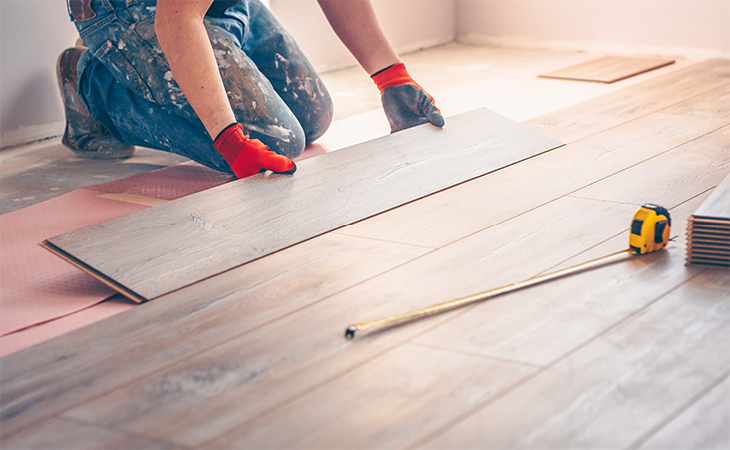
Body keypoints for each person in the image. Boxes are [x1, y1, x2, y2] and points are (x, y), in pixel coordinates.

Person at [58, 0, 444, 179]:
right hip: (133, 9)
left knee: (314, 117)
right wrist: (228, 140)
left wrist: (391, 78)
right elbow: (176, 19)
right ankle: (92, 81)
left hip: (216, 3)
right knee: (275, 140)